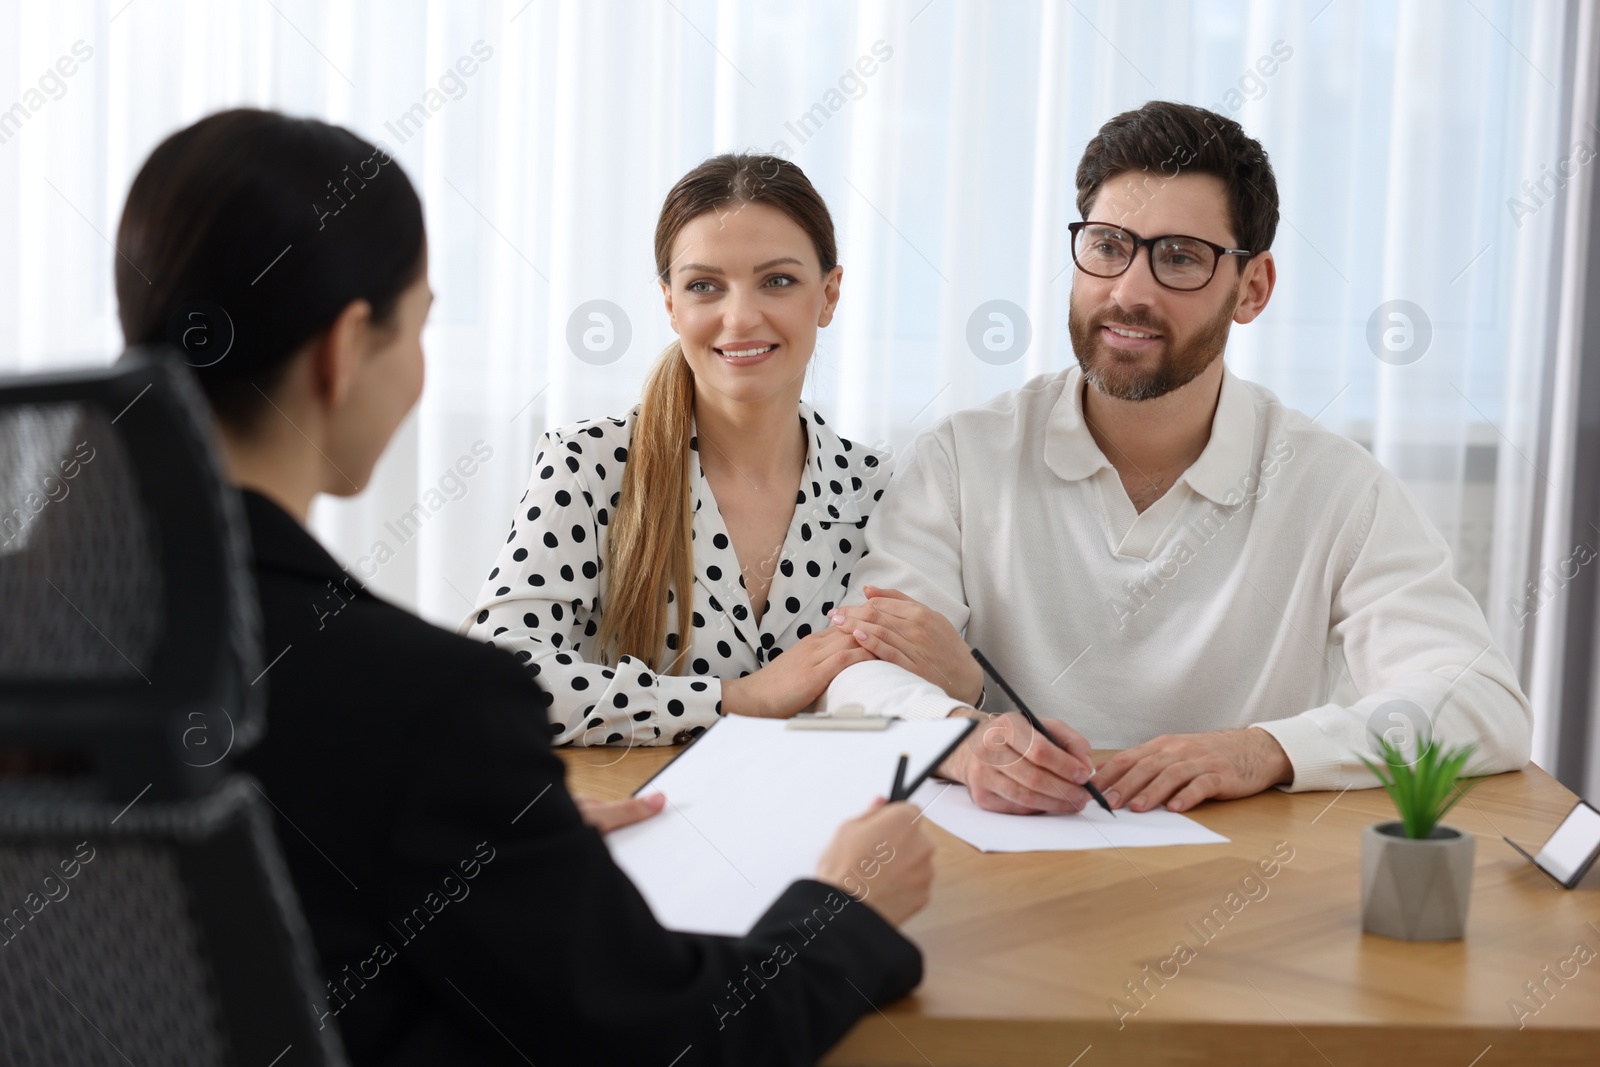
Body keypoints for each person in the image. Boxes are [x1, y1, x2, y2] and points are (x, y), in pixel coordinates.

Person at [115, 108, 934, 1067]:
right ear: (345, 351)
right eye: (422, 324)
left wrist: (504, 844)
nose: (741, 316)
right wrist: (844, 908)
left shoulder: (58, 634)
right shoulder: (432, 707)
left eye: (779, 281)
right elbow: (674, 1046)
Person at [818, 100, 1533, 816]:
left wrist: (1261, 749)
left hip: (1233, 879)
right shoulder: (962, 457)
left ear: (1251, 289)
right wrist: (964, 742)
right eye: (1107, 246)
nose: (1129, 291)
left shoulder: (1337, 488)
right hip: (1013, 867)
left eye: (1180, 258)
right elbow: (855, 673)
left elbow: (1481, 701)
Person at [462, 154, 976, 746]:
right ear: (670, 303)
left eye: (777, 281)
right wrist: (736, 700)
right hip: (632, 824)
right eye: (705, 286)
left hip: (822, 826)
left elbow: (888, 703)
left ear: (829, 295)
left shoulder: (878, 487)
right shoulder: (589, 465)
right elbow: (494, 679)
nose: (740, 317)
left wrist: (966, 684)